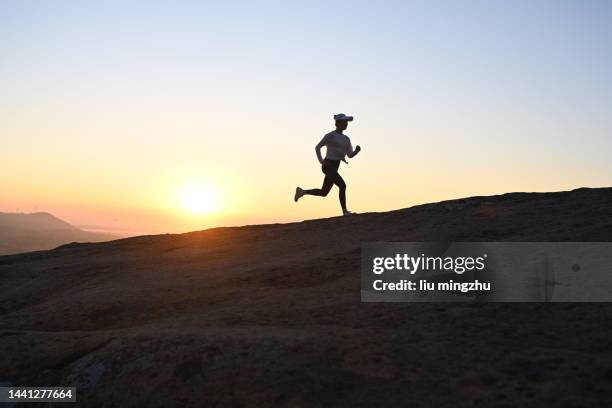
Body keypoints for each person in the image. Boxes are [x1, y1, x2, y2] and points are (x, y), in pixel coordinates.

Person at [294, 113, 361, 216]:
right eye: (344, 122)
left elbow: (350, 155)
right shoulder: (330, 136)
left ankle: (302, 192)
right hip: (328, 166)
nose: (346, 124)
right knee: (342, 186)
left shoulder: (346, 139)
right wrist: (321, 161)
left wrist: (356, 151)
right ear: (338, 123)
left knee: (324, 192)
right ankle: (345, 211)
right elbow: (317, 147)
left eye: (347, 122)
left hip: (335, 166)